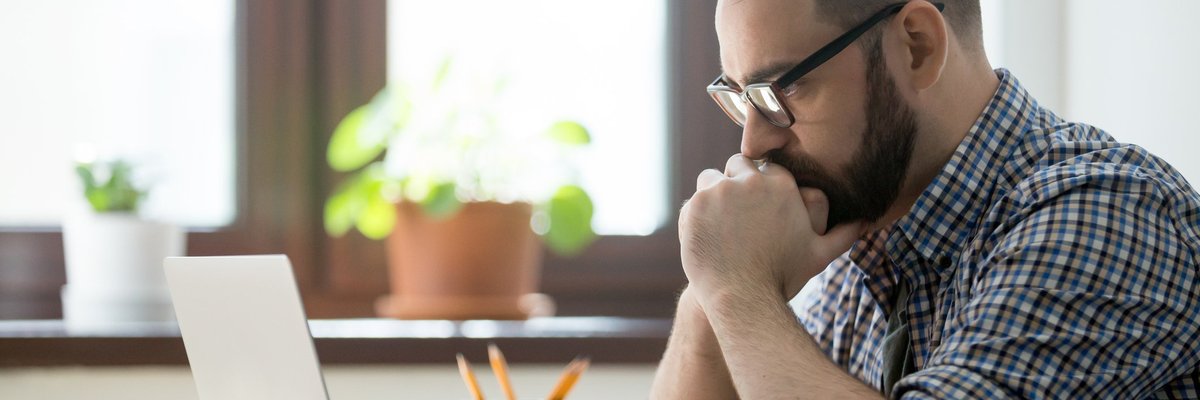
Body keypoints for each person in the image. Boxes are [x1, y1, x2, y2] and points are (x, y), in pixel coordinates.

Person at [650, 0, 1200, 398]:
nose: (754, 142)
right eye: (740, 98)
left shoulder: (1107, 211)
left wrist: (740, 291)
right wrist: (710, 293)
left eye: (783, 89)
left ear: (917, 47)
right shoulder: (863, 261)